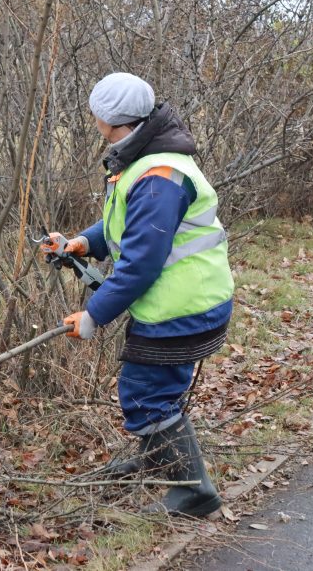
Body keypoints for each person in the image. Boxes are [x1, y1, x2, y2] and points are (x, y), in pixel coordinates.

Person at [44, 72, 233, 518]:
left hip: (182, 307)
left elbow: (141, 263)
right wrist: (85, 243)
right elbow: (131, 227)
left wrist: (92, 316)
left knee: (145, 394)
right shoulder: (148, 158)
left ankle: (193, 491)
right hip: (188, 300)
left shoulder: (158, 173)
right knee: (157, 388)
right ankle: (161, 460)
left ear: (106, 119)